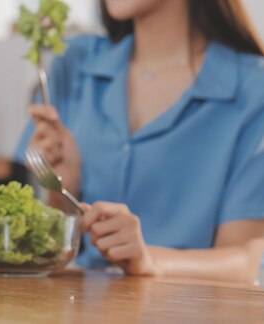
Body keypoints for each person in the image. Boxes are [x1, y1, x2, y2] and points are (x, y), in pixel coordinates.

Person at [16, 0, 264, 283]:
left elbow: (245, 260)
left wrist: (149, 259)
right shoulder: (74, 64)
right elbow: (43, 247)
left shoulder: (253, 91)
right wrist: (61, 193)